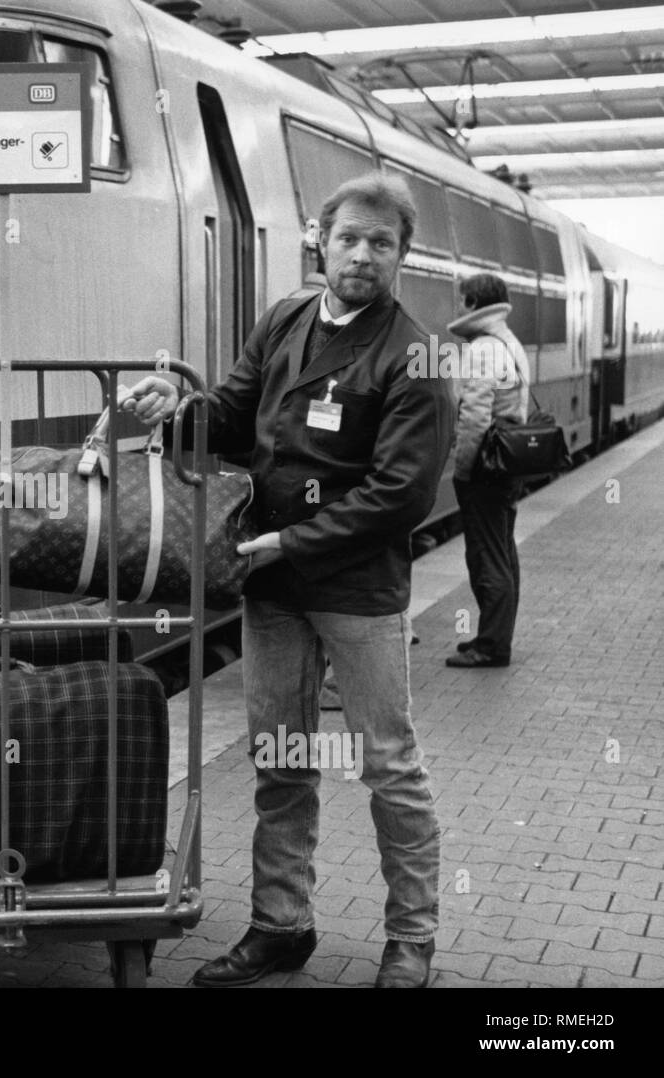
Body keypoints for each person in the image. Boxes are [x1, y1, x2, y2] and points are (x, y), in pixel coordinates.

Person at [122, 171, 453, 989]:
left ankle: (411, 938)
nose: (363, 255)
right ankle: (281, 924)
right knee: (281, 757)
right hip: (273, 589)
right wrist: (177, 404)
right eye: (349, 238)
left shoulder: (419, 351)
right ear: (320, 239)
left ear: (402, 255)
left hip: (355, 590)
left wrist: (287, 543)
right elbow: (229, 415)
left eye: (382, 243)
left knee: (388, 764)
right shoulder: (285, 319)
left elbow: (399, 494)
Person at [444, 273, 529, 668]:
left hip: (485, 467)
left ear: (474, 303)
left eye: (461, 301)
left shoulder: (482, 349)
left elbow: (475, 416)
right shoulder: (508, 340)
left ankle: (492, 646)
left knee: (487, 557)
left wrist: (462, 470)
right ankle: (492, 637)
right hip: (506, 464)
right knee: (503, 552)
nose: (457, 308)